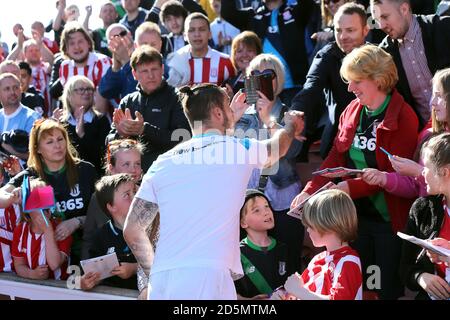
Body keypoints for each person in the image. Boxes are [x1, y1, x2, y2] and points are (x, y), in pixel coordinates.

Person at [123, 83, 305, 300]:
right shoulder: (238, 148)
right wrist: (291, 126)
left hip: (163, 281)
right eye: (228, 108)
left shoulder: (162, 162)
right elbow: (278, 148)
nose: (233, 112)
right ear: (218, 113)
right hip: (207, 279)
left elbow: (132, 229)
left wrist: (155, 272)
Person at [291, 44, 419, 299]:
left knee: (384, 290)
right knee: (362, 288)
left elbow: (389, 174)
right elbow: (336, 155)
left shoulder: (404, 116)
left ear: (379, 79)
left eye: (356, 81)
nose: (350, 88)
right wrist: (310, 190)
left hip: (388, 222)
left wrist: (348, 188)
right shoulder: (352, 109)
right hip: (355, 220)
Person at [235, 53, 304, 273]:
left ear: (278, 79)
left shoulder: (290, 114)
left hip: (283, 201)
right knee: (251, 265)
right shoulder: (240, 115)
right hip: (248, 201)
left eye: (267, 74)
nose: (261, 78)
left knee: (288, 263)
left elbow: (293, 151)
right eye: (255, 74)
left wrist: (268, 120)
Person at [3, 119, 97, 265]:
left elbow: (103, 213)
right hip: (47, 260)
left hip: (86, 254)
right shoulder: (31, 175)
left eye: (60, 139)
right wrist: (14, 195)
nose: (57, 145)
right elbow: (2, 194)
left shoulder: (86, 170)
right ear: (38, 149)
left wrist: (77, 222)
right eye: (49, 142)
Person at [291, 2, 369, 159]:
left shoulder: (377, 55)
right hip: (338, 140)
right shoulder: (327, 55)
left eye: (350, 30)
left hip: (373, 136)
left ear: (365, 30)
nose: (343, 37)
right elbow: (311, 87)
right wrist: (295, 111)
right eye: (338, 30)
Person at [362, 68, 450, 199]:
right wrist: (383, 178)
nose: (432, 102)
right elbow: (416, 187)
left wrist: (418, 171)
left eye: (439, 95)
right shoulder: (428, 136)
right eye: (433, 95)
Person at [107, 45, 191, 171]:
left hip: (168, 172)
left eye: (154, 69)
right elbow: (109, 141)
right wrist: (121, 134)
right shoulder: (128, 101)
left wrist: (144, 129)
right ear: (134, 74)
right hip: (132, 177)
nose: (150, 76)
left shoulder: (178, 98)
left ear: (162, 69)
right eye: (144, 71)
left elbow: (183, 138)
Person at [371, 0, 450, 128]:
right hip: (426, 138)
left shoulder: (443, 28)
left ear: (404, 9)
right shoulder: (384, 55)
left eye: (385, 17)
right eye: (377, 19)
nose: (381, 25)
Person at [221, 0, 316, 105]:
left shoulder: (296, 12)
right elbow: (227, 12)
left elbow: (309, 3)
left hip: (295, 88)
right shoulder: (252, 16)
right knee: (257, 121)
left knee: (293, 121)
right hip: (260, 91)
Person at [274, 189, 362, 300]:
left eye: (311, 225)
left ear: (329, 224)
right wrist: (284, 295)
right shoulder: (318, 258)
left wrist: (299, 291)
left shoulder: (349, 261)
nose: (308, 230)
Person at [399, 132, 450, 300]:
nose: (422, 173)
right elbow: (405, 267)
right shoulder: (422, 209)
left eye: (426, 167)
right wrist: (420, 277)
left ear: (445, 172)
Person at [81, 138, 144, 260]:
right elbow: (89, 240)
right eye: (126, 164)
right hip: (109, 274)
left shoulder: (149, 195)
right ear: (111, 168)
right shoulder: (98, 198)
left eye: (137, 163)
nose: (133, 170)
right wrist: (88, 271)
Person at [80, 173, 138, 290]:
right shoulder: (100, 237)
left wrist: (134, 269)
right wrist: (86, 282)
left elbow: (164, 263)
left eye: (135, 191)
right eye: (127, 195)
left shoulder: (151, 228)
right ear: (111, 207)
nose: (135, 197)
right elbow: (94, 275)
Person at [235, 189, 292, 299]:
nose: (266, 212)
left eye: (267, 206)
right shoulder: (237, 253)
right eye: (257, 210)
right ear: (243, 222)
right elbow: (228, 292)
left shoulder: (283, 248)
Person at [11, 179, 72, 280]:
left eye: (47, 207)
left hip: (59, 287)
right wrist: (32, 274)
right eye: (38, 206)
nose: (45, 212)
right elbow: (19, 265)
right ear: (27, 211)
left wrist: (48, 230)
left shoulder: (62, 230)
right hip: (32, 288)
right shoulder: (20, 231)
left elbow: (54, 264)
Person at [53, 75, 111, 175]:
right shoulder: (60, 122)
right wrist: (54, 128)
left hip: (94, 177)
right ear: (69, 94)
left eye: (89, 89)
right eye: (81, 89)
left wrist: (82, 135)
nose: (87, 92)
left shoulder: (100, 120)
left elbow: (104, 155)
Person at [51, 22, 112, 115]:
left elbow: (101, 108)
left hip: (102, 122)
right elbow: (68, 102)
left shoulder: (102, 62)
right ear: (66, 49)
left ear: (88, 43)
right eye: (71, 43)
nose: (77, 47)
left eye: (80, 41)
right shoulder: (65, 67)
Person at [99, 22, 166, 101]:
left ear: (130, 35)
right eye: (114, 38)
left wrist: (128, 62)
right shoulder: (120, 67)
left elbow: (142, 93)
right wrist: (115, 68)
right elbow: (105, 92)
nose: (120, 40)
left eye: (122, 34)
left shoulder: (163, 64)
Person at [167, 12, 235, 87]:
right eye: (192, 30)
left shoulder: (226, 61)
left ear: (210, 34)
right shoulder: (175, 61)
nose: (197, 34)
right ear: (185, 36)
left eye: (202, 29)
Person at [0, 73, 41, 159]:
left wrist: (3, 145)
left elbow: (36, 155)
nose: (12, 92)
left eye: (16, 87)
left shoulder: (33, 118)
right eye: (7, 89)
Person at [224, 31, 262, 96]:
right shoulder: (229, 81)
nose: (244, 55)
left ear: (258, 53)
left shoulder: (265, 80)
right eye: (239, 51)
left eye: (249, 50)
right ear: (234, 55)